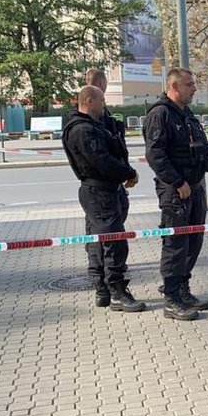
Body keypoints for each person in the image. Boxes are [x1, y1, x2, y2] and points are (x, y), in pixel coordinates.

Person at [144, 68, 208, 321]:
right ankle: (172, 298)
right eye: (189, 84)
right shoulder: (161, 114)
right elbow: (156, 155)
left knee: (194, 241)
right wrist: (177, 182)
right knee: (176, 244)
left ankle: (183, 288)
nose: (194, 88)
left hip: (195, 186)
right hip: (175, 190)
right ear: (174, 87)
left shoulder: (186, 115)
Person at [62, 86, 145, 312]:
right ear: (89, 100)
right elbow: (102, 161)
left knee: (99, 242)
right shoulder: (82, 130)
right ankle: (116, 291)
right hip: (99, 192)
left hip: (102, 191)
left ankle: (103, 289)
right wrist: (128, 173)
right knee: (113, 242)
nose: (104, 105)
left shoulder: (89, 126)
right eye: (101, 100)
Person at [84, 69, 131, 275]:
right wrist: (126, 172)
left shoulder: (93, 114)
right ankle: (103, 274)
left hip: (104, 186)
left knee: (99, 230)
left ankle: (100, 270)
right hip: (102, 187)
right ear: (102, 83)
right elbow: (103, 156)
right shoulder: (93, 117)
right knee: (108, 233)